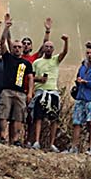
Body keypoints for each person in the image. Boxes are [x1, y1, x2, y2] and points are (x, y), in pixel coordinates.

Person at [30, 23, 70, 151]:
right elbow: (31, 77)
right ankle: (36, 141)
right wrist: (39, 80)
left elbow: (64, 52)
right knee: (38, 117)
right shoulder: (36, 62)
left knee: (54, 119)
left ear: (53, 50)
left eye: (50, 47)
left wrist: (66, 41)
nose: (48, 49)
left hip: (52, 92)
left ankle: (51, 144)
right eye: (46, 46)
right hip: (40, 91)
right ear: (43, 48)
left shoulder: (55, 60)